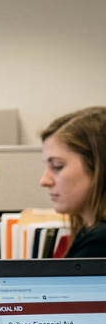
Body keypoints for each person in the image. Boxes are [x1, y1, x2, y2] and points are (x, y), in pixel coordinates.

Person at [40, 106, 106, 258]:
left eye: (57, 166)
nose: (44, 181)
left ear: (99, 168)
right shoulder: (89, 231)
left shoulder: (99, 244)